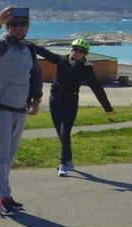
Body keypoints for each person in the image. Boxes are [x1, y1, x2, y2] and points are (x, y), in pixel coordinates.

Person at [0, 7, 43, 216]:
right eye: (14, 24)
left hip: (19, 108)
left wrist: (36, 100)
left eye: (22, 24)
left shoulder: (29, 49)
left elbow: (35, 75)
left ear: (27, 27)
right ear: (8, 26)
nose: (18, 28)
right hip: (0, 107)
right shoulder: (1, 46)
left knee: (9, 155)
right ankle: (4, 197)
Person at [32, 39, 115, 177]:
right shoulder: (62, 60)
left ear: (85, 54)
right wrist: (30, 45)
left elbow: (97, 88)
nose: (77, 53)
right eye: (75, 49)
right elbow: (45, 53)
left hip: (70, 103)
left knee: (65, 134)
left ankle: (63, 164)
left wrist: (107, 108)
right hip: (54, 100)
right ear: (71, 49)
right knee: (61, 133)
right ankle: (69, 160)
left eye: (81, 51)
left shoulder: (86, 68)